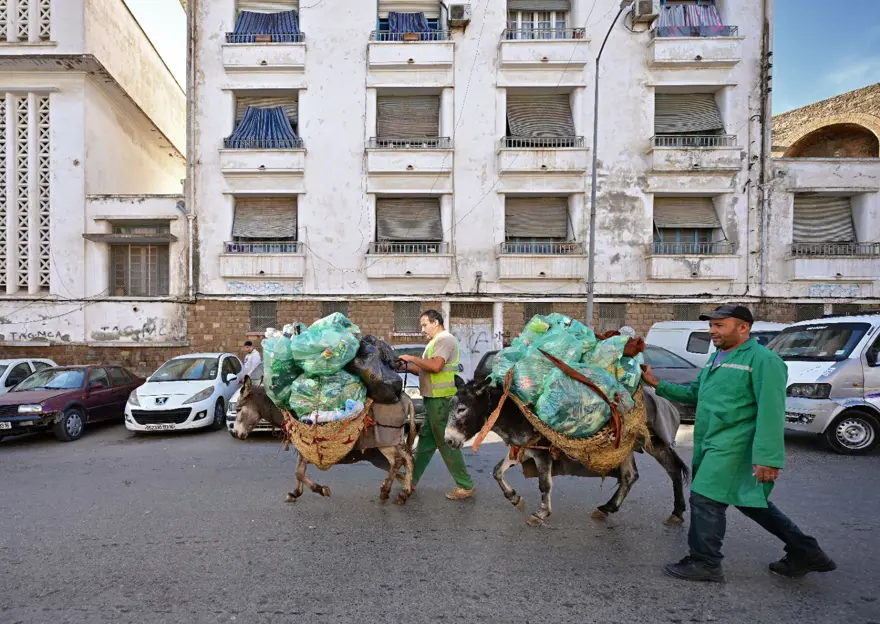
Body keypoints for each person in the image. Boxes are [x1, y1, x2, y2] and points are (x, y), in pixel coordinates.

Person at [641, 304, 835, 583]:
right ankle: (807, 551)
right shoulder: (717, 358)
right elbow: (696, 393)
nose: (712, 331)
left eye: (720, 326)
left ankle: (706, 562)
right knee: (750, 501)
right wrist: (656, 383)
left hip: (735, 445)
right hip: (711, 441)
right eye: (712, 326)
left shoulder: (763, 361)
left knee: (705, 498)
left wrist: (769, 458)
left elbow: (772, 411)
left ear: (743, 327)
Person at [397, 310, 475, 500]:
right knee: (426, 441)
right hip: (432, 399)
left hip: (441, 400)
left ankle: (465, 485)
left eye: (425, 325)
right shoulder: (434, 343)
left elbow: (435, 366)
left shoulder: (445, 340)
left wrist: (412, 358)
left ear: (436, 322)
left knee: (446, 444)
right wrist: (405, 366)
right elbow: (425, 371)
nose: (423, 329)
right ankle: (411, 480)